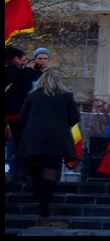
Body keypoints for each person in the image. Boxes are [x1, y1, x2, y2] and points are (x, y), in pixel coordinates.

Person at [17, 69, 81, 217]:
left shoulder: (32, 96)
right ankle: (44, 204)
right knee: (51, 170)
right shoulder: (66, 96)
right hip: (57, 140)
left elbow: (22, 117)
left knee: (36, 168)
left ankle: (37, 192)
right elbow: (74, 117)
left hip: (34, 138)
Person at [4, 45, 35, 181]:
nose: (23, 62)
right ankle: (19, 172)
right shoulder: (10, 72)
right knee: (17, 143)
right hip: (13, 114)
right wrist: (28, 70)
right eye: (22, 59)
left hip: (14, 113)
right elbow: (22, 83)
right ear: (14, 59)